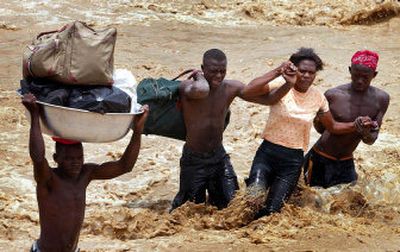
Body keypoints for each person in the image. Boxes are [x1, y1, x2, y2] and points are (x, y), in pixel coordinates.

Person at [243, 48, 374, 219]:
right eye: (302, 71)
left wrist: (357, 125)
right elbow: (247, 91)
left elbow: (332, 127)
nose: (306, 75)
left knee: (271, 212)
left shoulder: (318, 97)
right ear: (294, 69)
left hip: (292, 162)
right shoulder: (281, 85)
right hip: (267, 155)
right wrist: (278, 72)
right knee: (253, 199)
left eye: (311, 72)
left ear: (315, 75)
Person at [170, 48, 294, 211]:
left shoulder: (230, 87)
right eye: (214, 71)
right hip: (194, 160)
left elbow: (270, 99)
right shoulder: (188, 87)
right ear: (203, 68)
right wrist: (198, 76)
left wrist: (287, 81)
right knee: (189, 211)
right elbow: (202, 91)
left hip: (219, 158)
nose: (219, 76)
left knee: (233, 208)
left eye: (223, 71)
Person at [22, 93, 149, 252]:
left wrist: (137, 131)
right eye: (68, 158)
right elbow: (38, 157)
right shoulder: (48, 179)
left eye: (79, 157)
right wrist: (35, 115)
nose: (76, 162)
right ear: (56, 158)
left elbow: (124, 166)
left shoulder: (86, 174)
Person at [304, 50, 390, 188]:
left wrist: (365, 131)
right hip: (320, 158)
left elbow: (371, 140)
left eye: (365, 77)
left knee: (348, 204)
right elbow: (320, 128)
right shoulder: (333, 95)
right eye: (355, 76)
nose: (360, 81)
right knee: (310, 202)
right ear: (350, 71)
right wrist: (351, 127)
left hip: (346, 161)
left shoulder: (381, 99)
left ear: (374, 75)